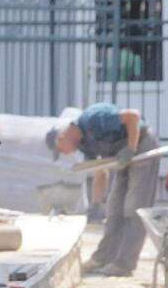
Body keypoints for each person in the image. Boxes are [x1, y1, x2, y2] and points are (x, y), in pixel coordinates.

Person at [46, 103, 161, 277]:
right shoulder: (84, 144)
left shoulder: (93, 119)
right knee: (114, 207)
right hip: (121, 155)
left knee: (134, 207)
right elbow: (100, 172)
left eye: (61, 150)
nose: (65, 153)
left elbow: (133, 116)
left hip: (141, 144)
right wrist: (95, 204)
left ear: (62, 137)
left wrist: (131, 149)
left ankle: (124, 264)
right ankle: (103, 258)